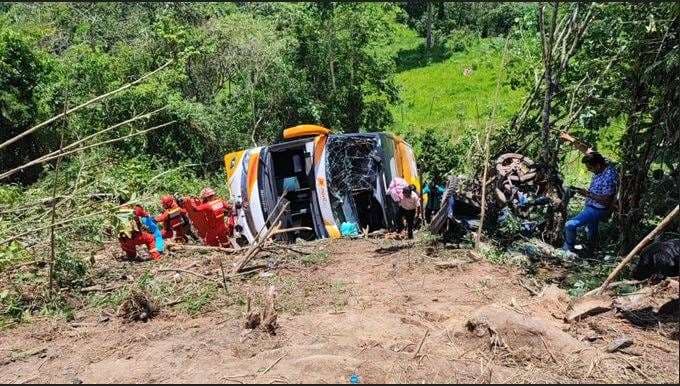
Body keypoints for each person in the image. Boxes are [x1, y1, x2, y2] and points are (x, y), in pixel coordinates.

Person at [559, 132, 619, 253]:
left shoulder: (609, 176)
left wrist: (587, 194)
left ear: (597, 165)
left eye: (590, 168)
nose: (589, 171)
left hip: (598, 209)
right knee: (592, 230)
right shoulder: (600, 161)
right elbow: (586, 150)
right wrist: (570, 139)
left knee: (570, 225)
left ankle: (568, 250)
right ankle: (590, 249)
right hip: (592, 205)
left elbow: (606, 201)